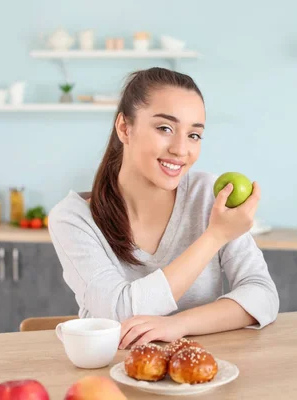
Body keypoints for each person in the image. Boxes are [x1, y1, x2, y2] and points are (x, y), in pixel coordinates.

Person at [48, 67, 279, 350]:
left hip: (200, 379)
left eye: (194, 135)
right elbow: (119, 314)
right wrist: (215, 237)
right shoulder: (74, 219)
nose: (181, 150)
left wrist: (178, 325)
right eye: (165, 128)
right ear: (124, 128)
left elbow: (263, 295)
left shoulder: (210, 196)